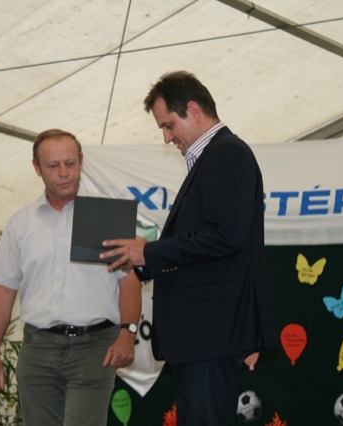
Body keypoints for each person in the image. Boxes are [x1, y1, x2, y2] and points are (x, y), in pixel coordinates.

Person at [101, 71, 278, 425]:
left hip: (209, 334)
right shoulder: (213, 157)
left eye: (169, 126)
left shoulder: (227, 154)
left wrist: (150, 253)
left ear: (194, 111)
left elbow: (226, 235)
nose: (167, 138)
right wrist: (142, 260)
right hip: (202, 336)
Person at [0, 129, 141, 426]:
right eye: (53, 166)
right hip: (37, 348)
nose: (64, 173)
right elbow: (3, 290)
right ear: (37, 168)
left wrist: (128, 334)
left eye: (70, 163)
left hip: (95, 346)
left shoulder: (107, 215)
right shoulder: (21, 223)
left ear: (81, 161)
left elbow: (129, 280)